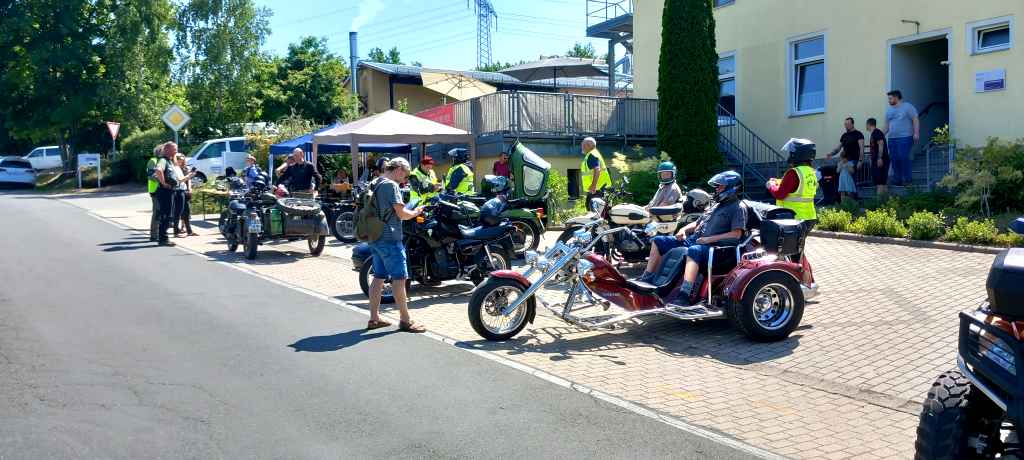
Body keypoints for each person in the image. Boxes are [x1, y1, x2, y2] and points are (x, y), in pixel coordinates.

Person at [635, 171, 747, 307]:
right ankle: (648, 278)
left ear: (732, 187)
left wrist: (709, 240)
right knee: (658, 241)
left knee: (694, 250)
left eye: (720, 187)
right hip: (694, 240)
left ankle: (684, 295)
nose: (716, 189)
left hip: (715, 249)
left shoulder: (738, 208)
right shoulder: (716, 205)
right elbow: (698, 223)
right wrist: (683, 230)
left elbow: (736, 235)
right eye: (717, 186)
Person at [366, 157, 427, 333]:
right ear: (399, 168)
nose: (404, 179)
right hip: (390, 239)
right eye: (405, 174)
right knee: (399, 279)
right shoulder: (391, 185)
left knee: (378, 277)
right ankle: (406, 320)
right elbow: (401, 214)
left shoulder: (375, 182)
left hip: (374, 236)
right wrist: (415, 212)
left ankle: (374, 318)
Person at [768, 138, 820, 225]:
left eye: (791, 152)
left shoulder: (793, 172)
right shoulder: (811, 172)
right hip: (809, 217)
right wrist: (778, 181)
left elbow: (779, 194)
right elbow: (798, 186)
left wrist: (771, 185)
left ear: (798, 154)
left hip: (794, 218)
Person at [883, 90, 919, 186]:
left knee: (903, 157)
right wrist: (880, 135)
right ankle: (897, 179)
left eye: (890, 98)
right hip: (892, 139)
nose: (889, 100)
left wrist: (916, 133)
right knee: (894, 158)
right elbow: (886, 126)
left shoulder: (907, 107)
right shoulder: (889, 110)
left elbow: (915, 119)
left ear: (896, 97)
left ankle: (907, 179)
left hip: (905, 137)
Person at [827, 117, 864, 202]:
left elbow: (861, 149)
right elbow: (838, 148)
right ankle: (845, 204)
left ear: (852, 124)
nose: (846, 126)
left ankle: (853, 202)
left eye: (847, 124)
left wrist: (860, 161)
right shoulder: (844, 136)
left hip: (853, 161)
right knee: (843, 182)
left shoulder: (858, 134)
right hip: (844, 161)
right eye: (845, 124)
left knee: (850, 182)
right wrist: (831, 154)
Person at [152, 142, 180, 246]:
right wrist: (164, 183)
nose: (176, 151)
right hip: (165, 192)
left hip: (169, 191)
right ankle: (163, 239)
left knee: (167, 215)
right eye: (174, 149)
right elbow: (158, 170)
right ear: (167, 150)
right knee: (166, 215)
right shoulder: (163, 160)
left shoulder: (169, 161)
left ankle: (163, 238)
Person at [580, 137, 612, 211]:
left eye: (583, 145)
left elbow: (597, 170)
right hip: (598, 189)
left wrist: (593, 185)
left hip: (596, 189)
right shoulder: (593, 154)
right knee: (595, 211)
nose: (582, 147)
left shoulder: (592, 155)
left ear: (588, 145)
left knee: (593, 212)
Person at [175, 154, 198, 237]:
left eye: (183, 159)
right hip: (178, 191)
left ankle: (189, 230)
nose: (182, 160)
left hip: (184, 190)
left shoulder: (185, 168)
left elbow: (188, 180)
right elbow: (180, 180)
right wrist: (189, 175)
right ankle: (177, 230)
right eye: (180, 159)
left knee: (186, 211)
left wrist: (189, 188)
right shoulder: (175, 168)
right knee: (178, 212)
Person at [866, 118, 889, 197]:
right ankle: (886, 202)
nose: (866, 127)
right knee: (882, 182)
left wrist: (879, 158)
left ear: (869, 124)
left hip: (881, 160)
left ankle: (879, 204)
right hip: (878, 160)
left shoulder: (877, 132)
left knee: (880, 182)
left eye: (866, 125)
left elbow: (881, 144)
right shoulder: (874, 133)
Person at [147, 143, 164, 242]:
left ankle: (160, 233)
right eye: (163, 151)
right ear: (159, 152)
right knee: (157, 213)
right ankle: (154, 235)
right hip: (155, 191)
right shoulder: (152, 161)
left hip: (162, 190)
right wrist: (163, 180)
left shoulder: (163, 161)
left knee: (161, 213)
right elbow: (151, 176)